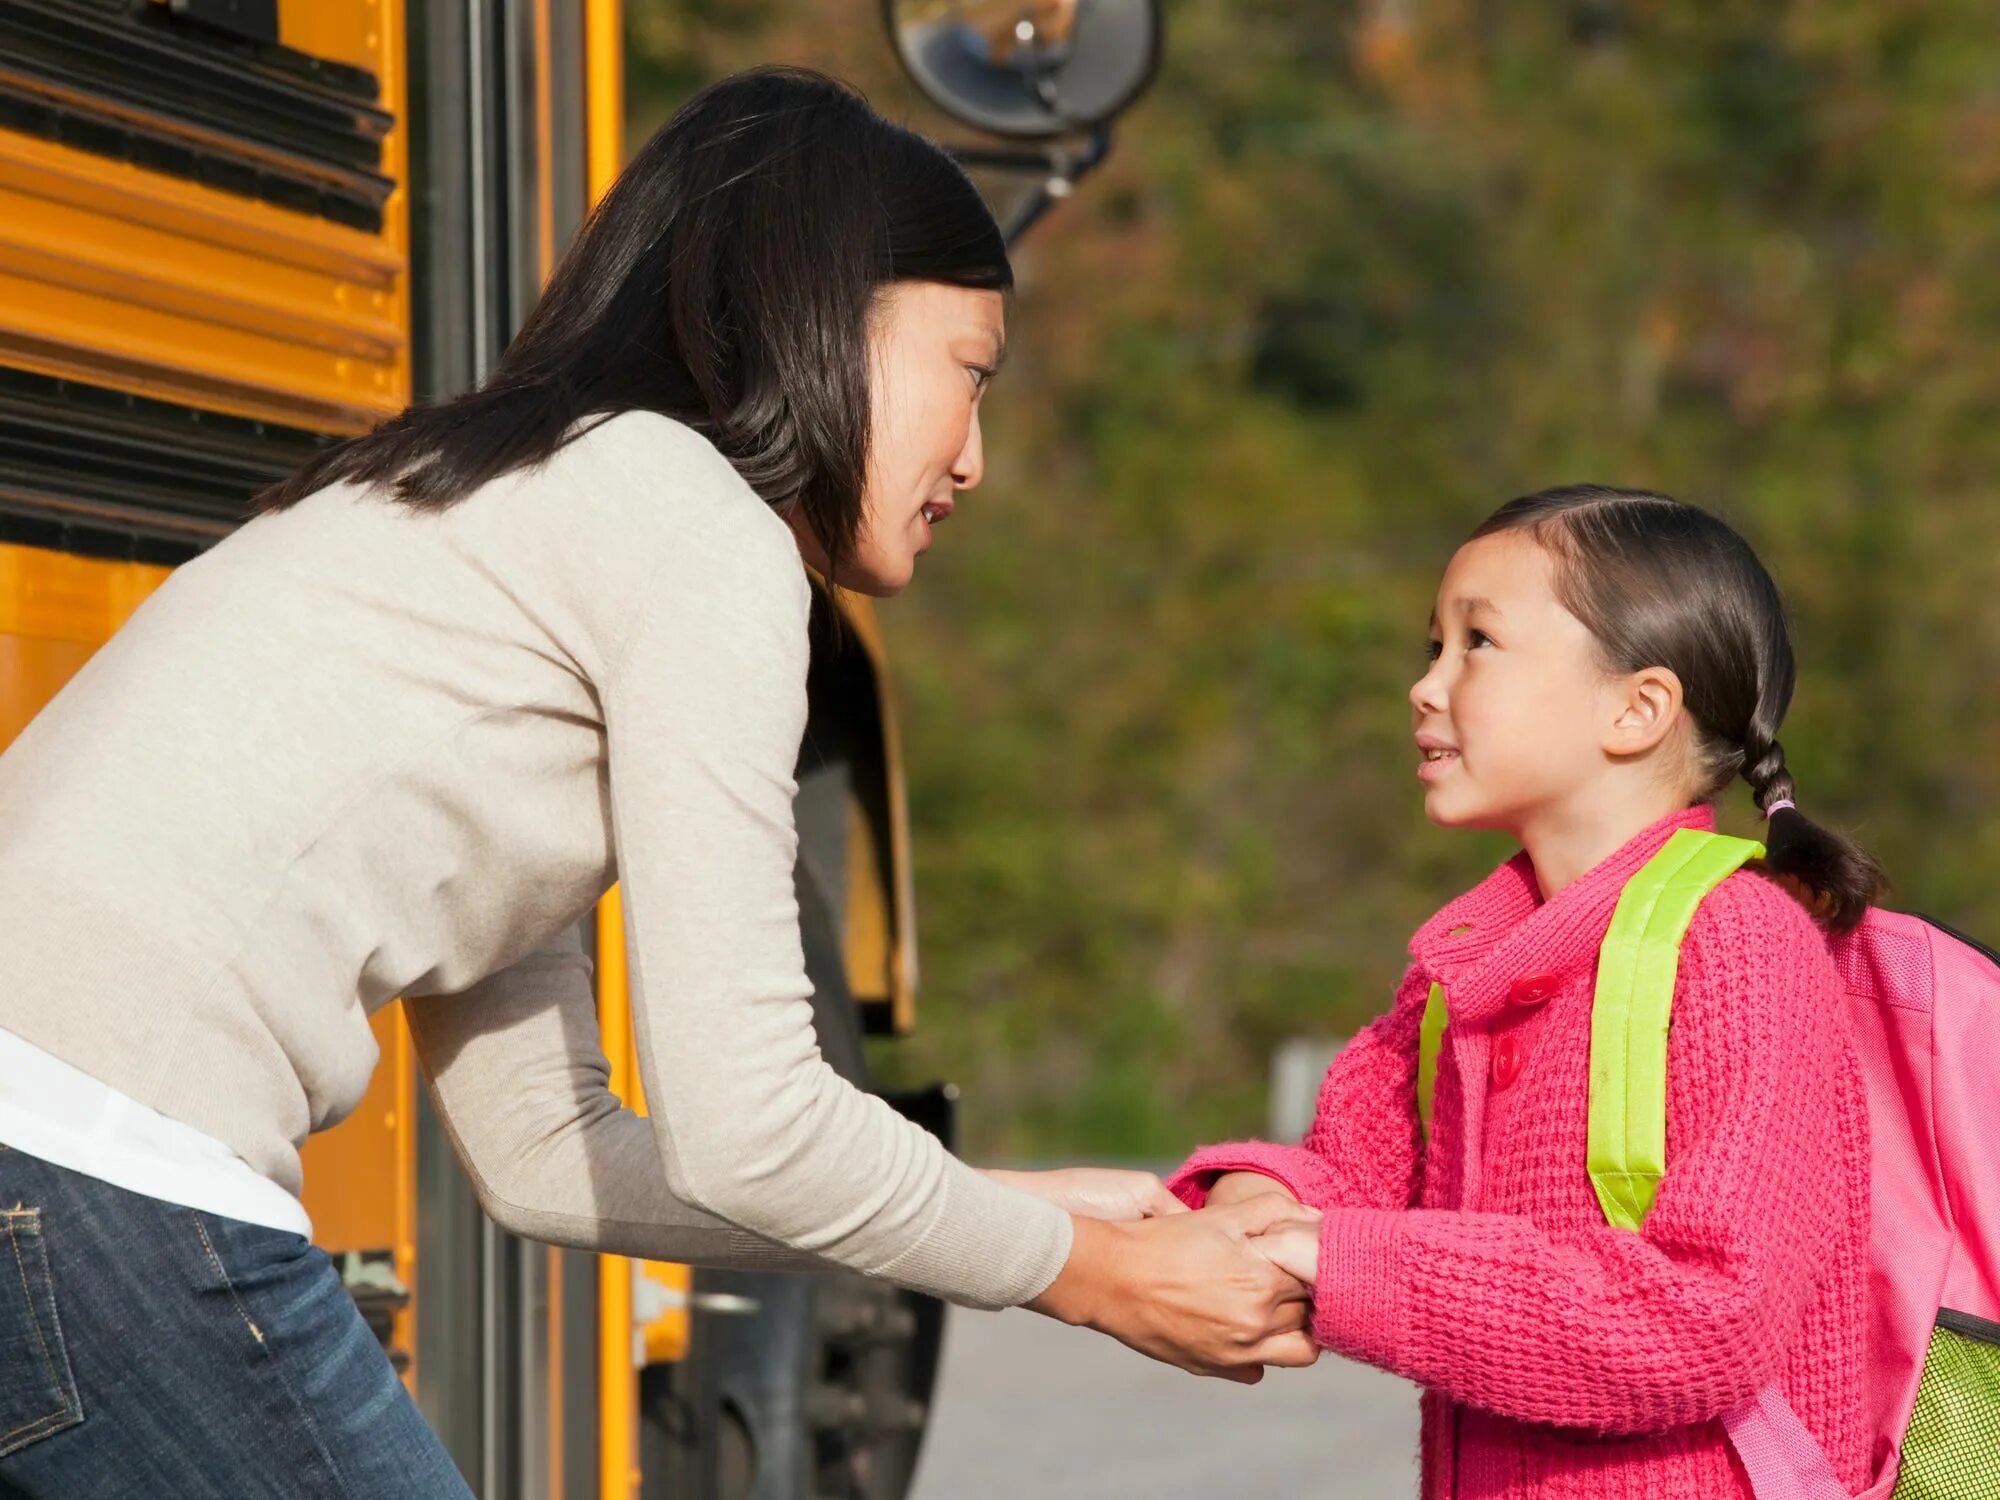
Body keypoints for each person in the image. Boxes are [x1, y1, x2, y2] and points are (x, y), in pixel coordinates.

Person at [0, 68, 1315, 1498]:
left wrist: (1006, 1210)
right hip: (93, 1174)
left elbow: (547, 1155)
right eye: (972, 369)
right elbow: (755, 1130)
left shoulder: (500, 504)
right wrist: (1081, 1279)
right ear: (834, 313)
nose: (977, 459)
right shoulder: (702, 534)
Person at [1170, 486, 1875, 1498]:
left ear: (1634, 710)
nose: (1423, 687)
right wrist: (1252, 1204)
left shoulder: (1738, 946)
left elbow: (1711, 1314)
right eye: (1430, 648)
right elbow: (1348, 1168)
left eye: (1475, 644)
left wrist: (1341, 1262)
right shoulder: (1462, 963)